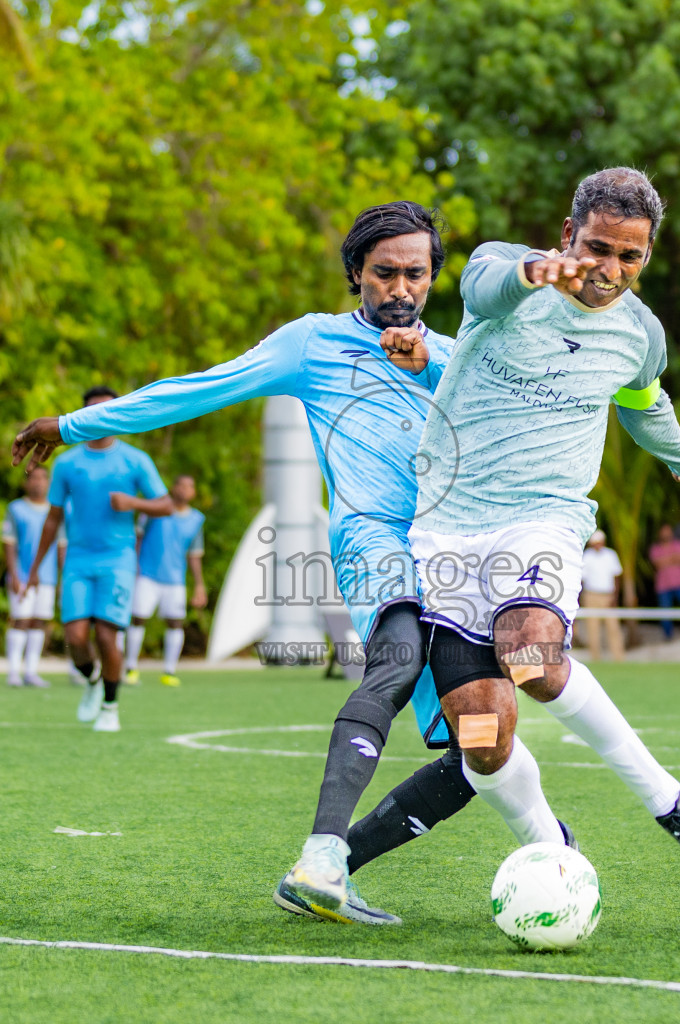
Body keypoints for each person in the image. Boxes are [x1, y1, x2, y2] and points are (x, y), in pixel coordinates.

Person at [13, 203, 476, 925]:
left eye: (415, 273)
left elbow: (510, 411)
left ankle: (332, 871)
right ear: (356, 272)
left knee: (480, 745)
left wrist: (435, 362)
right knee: (396, 658)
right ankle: (321, 853)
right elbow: (197, 388)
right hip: (370, 541)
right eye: (384, 272)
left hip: (453, 557)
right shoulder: (311, 345)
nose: (400, 288)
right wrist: (74, 426)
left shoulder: (452, 358)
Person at [406, 167, 680, 891]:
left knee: (532, 656)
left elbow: (640, 403)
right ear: (568, 234)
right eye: (597, 249)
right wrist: (539, 272)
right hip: (444, 531)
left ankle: (671, 804)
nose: (611, 271)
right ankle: (549, 850)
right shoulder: (502, 273)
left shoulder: (639, 333)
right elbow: (483, 288)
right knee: (481, 736)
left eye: (631, 258)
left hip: (545, 519)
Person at [23, 386, 172, 732]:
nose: (100, 418)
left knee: (107, 636)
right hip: (78, 559)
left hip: (118, 560)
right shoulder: (67, 463)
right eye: (93, 412)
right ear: (82, 418)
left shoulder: (135, 460)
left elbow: (165, 505)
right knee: (75, 637)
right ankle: (91, 682)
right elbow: (53, 519)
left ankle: (110, 705)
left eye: (108, 411)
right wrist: (34, 569)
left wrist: (134, 504)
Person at [125, 474, 207, 687]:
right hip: (147, 575)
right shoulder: (155, 509)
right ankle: (130, 668)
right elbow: (138, 537)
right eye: (181, 484)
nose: (184, 489)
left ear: (194, 492)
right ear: (173, 487)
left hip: (175, 580)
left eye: (190, 486)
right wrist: (132, 565)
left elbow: (194, 555)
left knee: (175, 622)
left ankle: (169, 671)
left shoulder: (196, 519)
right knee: (138, 618)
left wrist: (199, 584)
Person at [2, 466, 66, 687]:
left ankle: (31, 671)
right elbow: (9, 544)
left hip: (47, 578)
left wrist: (63, 577)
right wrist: (14, 576)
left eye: (42, 479)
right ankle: (13, 672)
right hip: (22, 575)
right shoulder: (16, 509)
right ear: (26, 483)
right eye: (34, 478)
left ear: (48, 483)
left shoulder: (55, 511)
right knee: (21, 620)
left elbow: (61, 546)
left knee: (39, 621)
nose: (38, 483)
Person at [649, 522, 680, 640]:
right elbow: (658, 564)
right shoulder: (655, 548)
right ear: (660, 533)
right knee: (665, 611)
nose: (666, 534)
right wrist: (672, 558)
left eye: (668, 531)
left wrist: (665, 560)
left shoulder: (679, 544)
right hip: (663, 585)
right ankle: (668, 635)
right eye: (664, 531)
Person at [579, 529, 624, 661]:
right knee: (592, 628)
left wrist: (615, 597)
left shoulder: (611, 555)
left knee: (613, 628)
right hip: (591, 594)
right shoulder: (587, 556)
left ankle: (618, 658)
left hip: (608, 595)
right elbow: (582, 579)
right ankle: (595, 658)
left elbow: (617, 576)